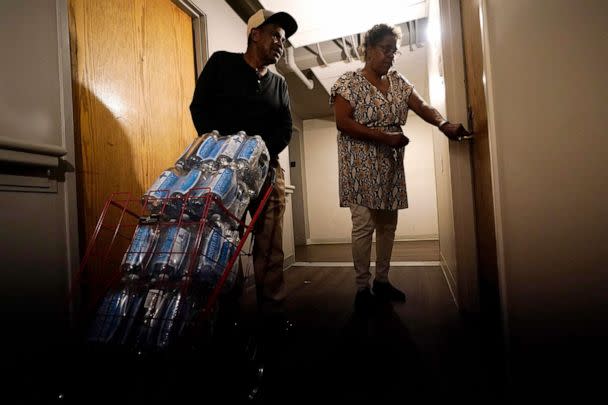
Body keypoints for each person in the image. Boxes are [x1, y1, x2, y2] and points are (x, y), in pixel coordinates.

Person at [330, 23, 471, 313]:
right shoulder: (347, 82)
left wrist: (443, 123)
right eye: (385, 49)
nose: (391, 56)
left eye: (394, 51)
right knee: (363, 225)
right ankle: (362, 287)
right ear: (368, 50)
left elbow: (422, 106)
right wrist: (384, 137)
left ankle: (382, 281)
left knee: (388, 225)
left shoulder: (398, 83)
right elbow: (343, 122)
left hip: (390, 164)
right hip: (358, 164)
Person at [189, 9, 297, 320]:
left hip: (267, 171)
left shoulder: (279, 85)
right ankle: (224, 314)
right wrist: (226, 149)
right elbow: (200, 107)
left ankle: (273, 313)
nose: (281, 43)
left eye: (284, 40)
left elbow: (285, 127)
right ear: (255, 34)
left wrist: (260, 153)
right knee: (223, 242)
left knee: (270, 246)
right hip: (222, 173)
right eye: (276, 35)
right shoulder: (221, 63)